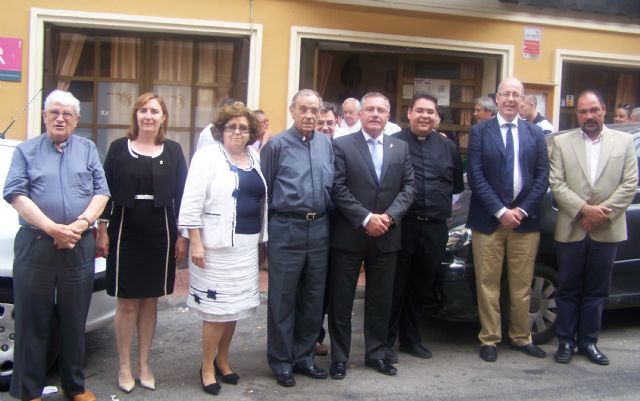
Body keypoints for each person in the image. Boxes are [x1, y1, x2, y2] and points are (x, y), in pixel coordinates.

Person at [3, 90, 110, 401]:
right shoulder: (26, 151)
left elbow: (101, 191)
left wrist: (80, 225)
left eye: (67, 114)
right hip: (36, 243)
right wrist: (50, 227)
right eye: (54, 112)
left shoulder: (88, 149)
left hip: (77, 245)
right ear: (45, 116)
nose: (60, 118)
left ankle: (74, 386)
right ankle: (28, 390)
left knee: (74, 317)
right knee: (31, 318)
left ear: (76, 120)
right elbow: (15, 194)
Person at [96, 93, 188, 393]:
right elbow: (104, 191)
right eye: (143, 110)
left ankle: (144, 364)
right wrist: (102, 228)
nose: (148, 116)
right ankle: (124, 365)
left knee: (150, 300)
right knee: (126, 302)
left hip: (160, 229)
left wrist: (182, 236)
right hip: (125, 230)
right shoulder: (118, 149)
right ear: (136, 115)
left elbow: (182, 197)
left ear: (163, 118)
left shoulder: (173, 151)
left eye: (154, 111)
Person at [179, 101, 267, 395]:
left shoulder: (254, 156)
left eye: (244, 128)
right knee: (215, 311)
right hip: (214, 247)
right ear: (221, 130)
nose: (238, 132)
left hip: (245, 246)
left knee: (234, 309)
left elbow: (260, 200)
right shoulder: (207, 157)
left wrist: (263, 241)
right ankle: (206, 365)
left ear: (251, 132)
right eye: (232, 127)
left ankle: (223, 359)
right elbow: (191, 202)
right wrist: (196, 242)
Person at [328, 92, 414, 379]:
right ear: (361, 114)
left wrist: (388, 218)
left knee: (380, 300)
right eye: (370, 109)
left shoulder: (399, 148)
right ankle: (339, 357)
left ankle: (376, 354)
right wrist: (366, 218)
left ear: (389, 116)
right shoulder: (341, 145)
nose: (375, 114)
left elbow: (409, 188)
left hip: (387, 235)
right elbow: (338, 187)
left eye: (381, 110)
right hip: (350, 234)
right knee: (342, 300)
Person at [548, 90, 638, 365]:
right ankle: (565, 342)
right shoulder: (560, 142)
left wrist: (601, 214)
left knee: (597, 290)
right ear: (577, 115)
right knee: (568, 288)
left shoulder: (623, 142)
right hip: (572, 227)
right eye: (584, 112)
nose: (589, 116)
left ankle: (589, 342)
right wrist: (584, 210)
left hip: (607, 229)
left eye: (594, 110)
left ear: (604, 110)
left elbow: (630, 183)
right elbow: (557, 183)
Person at [466, 77, 549, 362]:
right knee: (487, 283)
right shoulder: (479, 132)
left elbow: (542, 178)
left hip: (525, 222)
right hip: (488, 220)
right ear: (497, 98)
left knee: (522, 284)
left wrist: (521, 211)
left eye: (517, 95)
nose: (511, 99)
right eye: (506, 94)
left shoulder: (535, 134)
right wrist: (501, 211)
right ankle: (489, 338)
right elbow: (475, 175)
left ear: (524, 100)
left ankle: (521, 337)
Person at [261, 89, 334, 387]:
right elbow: (264, 194)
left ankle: (304, 357)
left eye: (314, 110)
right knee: (282, 296)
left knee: (313, 296)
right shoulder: (276, 145)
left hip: (319, 227)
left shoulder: (326, 145)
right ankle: (281, 360)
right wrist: (264, 240)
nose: (309, 115)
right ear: (292, 111)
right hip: (286, 227)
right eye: (303, 109)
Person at [387, 92, 464, 362]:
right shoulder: (393, 144)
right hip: (401, 226)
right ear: (409, 113)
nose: (424, 116)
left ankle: (410, 339)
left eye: (430, 112)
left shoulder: (449, 148)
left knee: (421, 286)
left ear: (438, 117)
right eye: (419, 110)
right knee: (395, 285)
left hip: (434, 228)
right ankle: (385, 341)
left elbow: (455, 186)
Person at [312, 101, 340, 357]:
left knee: (330, 288)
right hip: (314, 227)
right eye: (321, 122)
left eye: (329, 123)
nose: (325, 127)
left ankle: (319, 336)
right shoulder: (307, 148)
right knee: (312, 287)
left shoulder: (342, 148)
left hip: (338, 230)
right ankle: (310, 338)